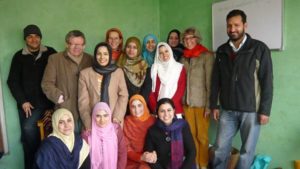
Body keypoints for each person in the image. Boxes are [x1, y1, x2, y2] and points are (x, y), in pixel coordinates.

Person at [210, 9, 273, 169]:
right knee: (219, 148)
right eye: (229, 26)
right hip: (227, 110)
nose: (232, 29)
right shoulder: (222, 51)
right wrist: (213, 105)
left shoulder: (259, 48)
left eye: (236, 25)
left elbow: (267, 81)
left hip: (251, 110)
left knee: (247, 151)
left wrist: (265, 110)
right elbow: (216, 80)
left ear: (245, 25)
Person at [7, 24, 57, 169]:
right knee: (28, 132)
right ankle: (35, 163)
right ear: (25, 39)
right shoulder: (18, 56)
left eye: (36, 36)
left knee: (53, 132)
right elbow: (12, 81)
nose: (33, 39)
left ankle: (44, 160)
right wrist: (23, 101)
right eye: (29, 36)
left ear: (40, 37)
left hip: (49, 102)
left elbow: (59, 73)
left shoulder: (51, 52)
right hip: (29, 105)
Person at [41, 30, 93, 132]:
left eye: (80, 44)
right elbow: (46, 83)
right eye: (73, 44)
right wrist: (59, 97)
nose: (77, 47)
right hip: (65, 109)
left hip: (88, 110)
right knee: (68, 144)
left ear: (84, 45)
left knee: (87, 143)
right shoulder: (55, 59)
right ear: (66, 44)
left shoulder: (91, 59)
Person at [181, 27, 214, 169]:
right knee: (191, 136)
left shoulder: (206, 55)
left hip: (201, 103)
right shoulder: (183, 57)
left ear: (197, 39)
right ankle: (194, 164)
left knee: (202, 136)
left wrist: (209, 105)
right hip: (186, 103)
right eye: (186, 38)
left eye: (191, 38)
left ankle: (204, 164)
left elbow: (210, 82)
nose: (188, 41)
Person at [78, 42, 128, 131]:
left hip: (113, 121)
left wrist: (117, 117)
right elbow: (83, 102)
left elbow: (123, 95)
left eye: (105, 54)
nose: (102, 57)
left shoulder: (118, 72)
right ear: (95, 55)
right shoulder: (85, 74)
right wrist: (89, 123)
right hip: (93, 122)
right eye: (99, 54)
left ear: (110, 55)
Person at [144, 98, 196, 169]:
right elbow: (150, 157)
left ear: (174, 111)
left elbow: (192, 151)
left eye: (169, 110)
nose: (166, 114)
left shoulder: (183, 125)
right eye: (162, 111)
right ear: (157, 113)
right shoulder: (152, 131)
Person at [148, 42, 186, 118]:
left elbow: (181, 89)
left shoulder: (179, 68)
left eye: (166, 51)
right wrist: (156, 108)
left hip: (175, 109)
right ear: (158, 55)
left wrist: (169, 108)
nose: (164, 55)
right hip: (159, 111)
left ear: (170, 51)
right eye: (161, 53)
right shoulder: (154, 69)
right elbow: (150, 91)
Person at [88, 102, 127, 169]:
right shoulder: (88, 134)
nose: (102, 120)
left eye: (105, 115)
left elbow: (122, 153)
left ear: (110, 115)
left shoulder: (116, 130)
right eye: (98, 116)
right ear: (93, 116)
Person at [124, 94, 156, 169]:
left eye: (139, 105)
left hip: (151, 159)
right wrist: (140, 157)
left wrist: (152, 155)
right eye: (133, 107)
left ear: (144, 105)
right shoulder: (126, 122)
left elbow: (159, 143)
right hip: (131, 159)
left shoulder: (153, 120)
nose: (137, 110)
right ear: (129, 108)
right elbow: (126, 147)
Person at [117, 37, 152, 103]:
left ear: (138, 49)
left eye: (134, 47)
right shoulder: (119, 65)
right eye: (128, 47)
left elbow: (147, 89)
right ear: (125, 48)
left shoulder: (144, 66)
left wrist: (139, 104)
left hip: (141, 105)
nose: (131, 50)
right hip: (124, 105)